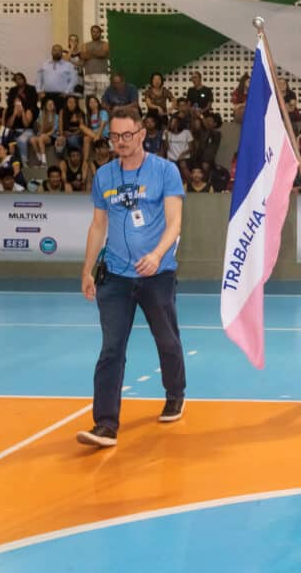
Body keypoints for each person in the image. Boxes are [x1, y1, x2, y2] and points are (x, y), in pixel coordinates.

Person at [76, 110, 187, 448]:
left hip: (157, 275)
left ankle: (175, 393)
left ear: (141, 134)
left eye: (126, 135)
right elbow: (98, 225)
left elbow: (174, 223)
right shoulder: (104, 176)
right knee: (111, 349)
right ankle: (105, 424)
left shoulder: (165, 171)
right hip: (116, 277)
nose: (120, 143)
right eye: (114, 137)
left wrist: (156, 256)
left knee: (166, 340)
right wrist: (86, 268)